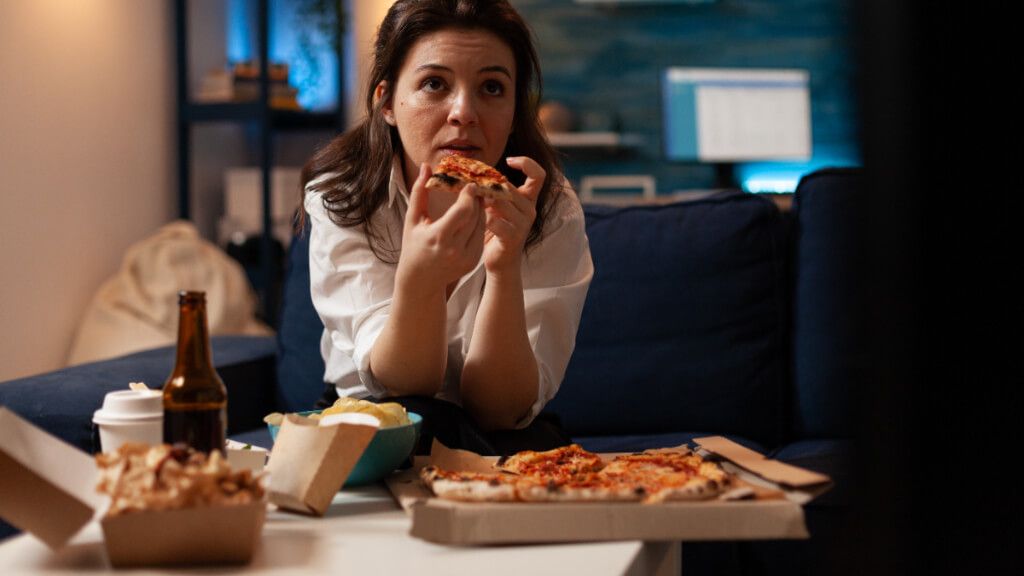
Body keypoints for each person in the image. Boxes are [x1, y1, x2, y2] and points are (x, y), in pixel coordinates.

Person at [300, 0, 593, 455]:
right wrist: (421, 279)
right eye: (434, 84)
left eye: (492, 88)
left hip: (500, 436)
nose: (464, 112)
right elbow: (402, 385)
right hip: (374, 422)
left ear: (516, 110)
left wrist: (503, 268)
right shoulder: (341, 197)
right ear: (386, 103)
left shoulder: (550, 209)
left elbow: (500, 411)